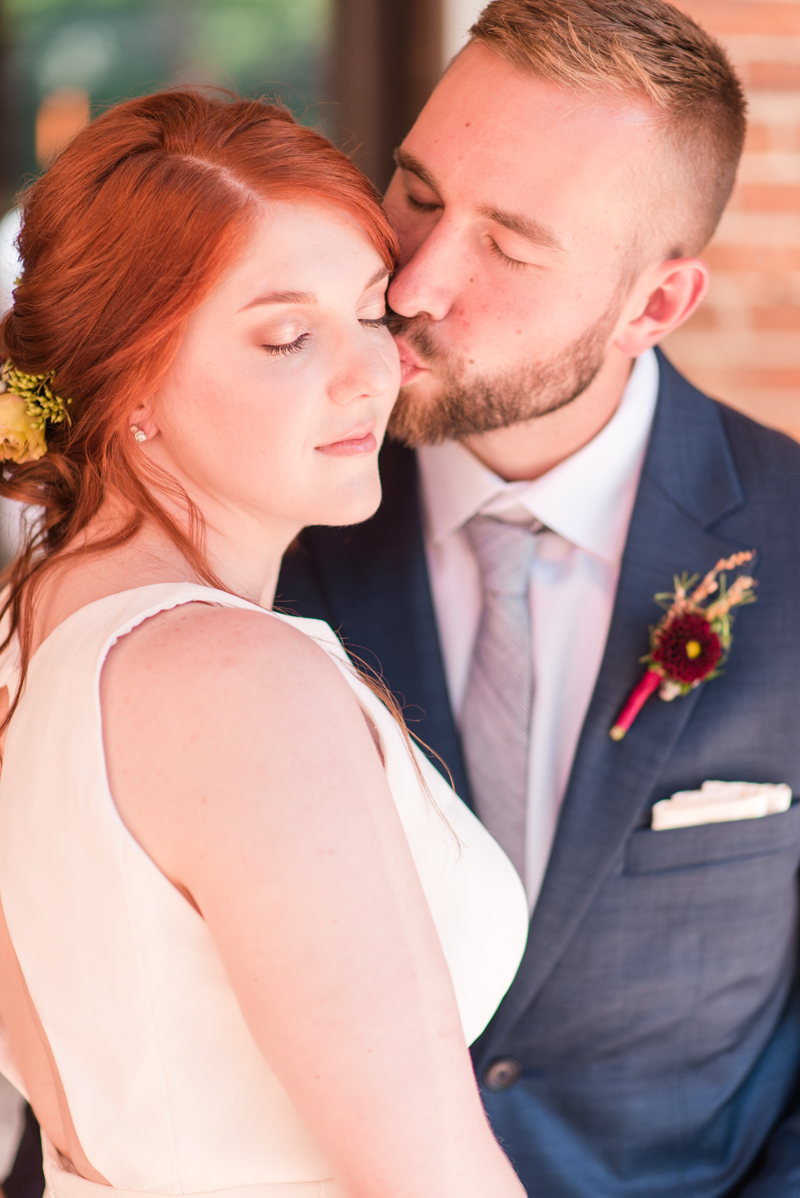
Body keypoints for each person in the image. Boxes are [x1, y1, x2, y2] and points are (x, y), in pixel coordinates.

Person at [278, 1, 800, 1194]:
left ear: (653, 306)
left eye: (509, 246)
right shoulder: (258, 520)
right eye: (412, 192)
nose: (412, 281)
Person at [0, 90, 530, 1198]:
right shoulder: (231, 684)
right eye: (286, 336)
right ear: (125, 382)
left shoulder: (28, 630)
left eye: (374, 313)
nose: (368, 373)